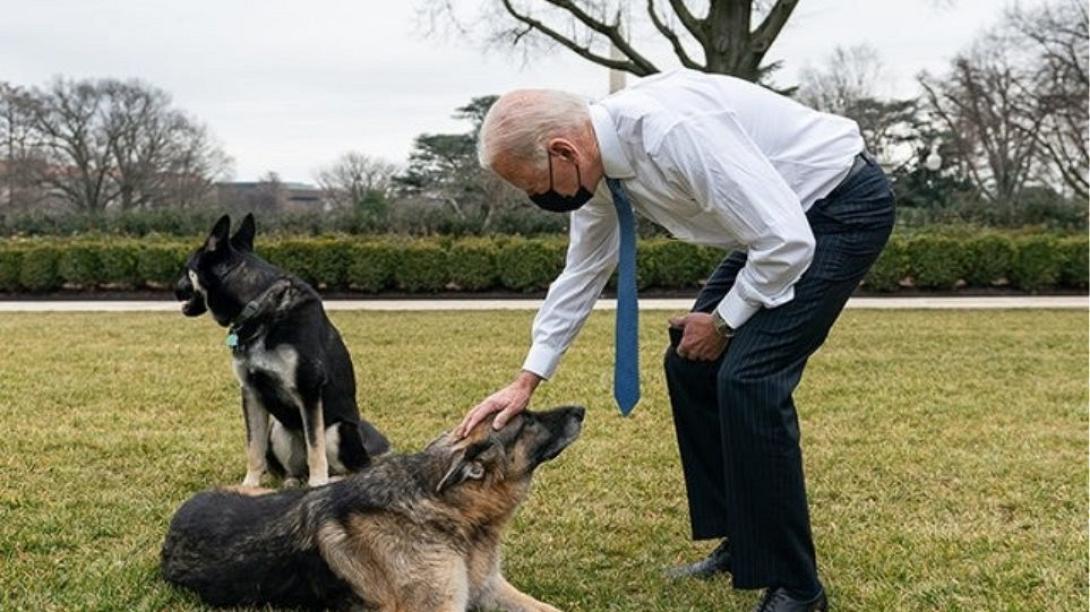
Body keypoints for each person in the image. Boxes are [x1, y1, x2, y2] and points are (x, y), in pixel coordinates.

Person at [456, 68, 894, 612]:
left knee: (749, 378)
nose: (534, 197)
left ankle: (798, 589)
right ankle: (744, 541)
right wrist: (527, 379)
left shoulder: (672, 132)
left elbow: (785, 241)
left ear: (563, 151)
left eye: (531, 184)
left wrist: (726, 322)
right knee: (691, 364)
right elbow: (582, 273)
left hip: (836, 211)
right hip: (776, 224)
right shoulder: (596, 172)